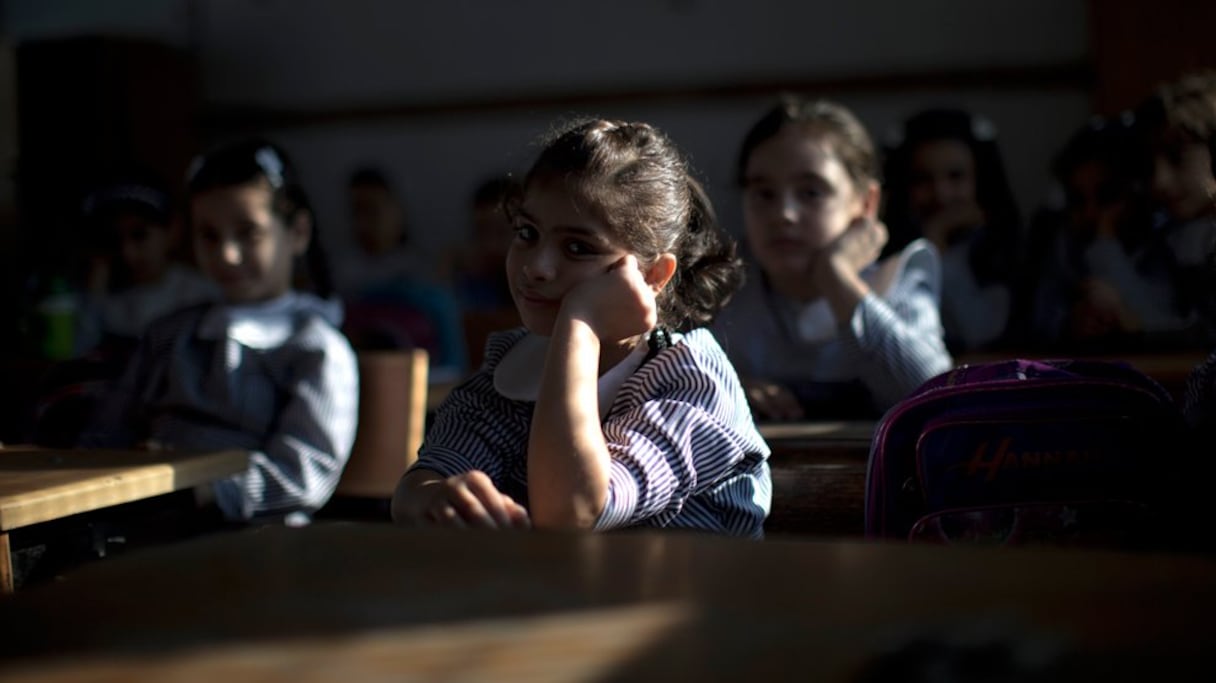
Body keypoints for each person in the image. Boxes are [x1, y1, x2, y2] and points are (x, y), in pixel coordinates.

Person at [391, 118, 771, 536]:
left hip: (691, 597)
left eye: (577, 247)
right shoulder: (513, 366)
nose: (536, 266)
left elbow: (572, 510)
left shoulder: (690, 381)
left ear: (652, 276)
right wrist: (434, 498)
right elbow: (420, 482)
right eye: (527, 233)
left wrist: (581, 321)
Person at [80, 139, 359, 526]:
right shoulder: (168, 334)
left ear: (297, 232)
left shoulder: (315, 348)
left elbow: (303, 473)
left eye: (248, 233)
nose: (227, 254)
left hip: (255, 542)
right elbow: (105, 432)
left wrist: (200, 489)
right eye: (209, 236)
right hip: (145, 526)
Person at [712, 96, 953, 421]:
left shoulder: (898, 279)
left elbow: (936, 397)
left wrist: (836, 275)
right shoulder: (721, 289)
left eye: (811, 192)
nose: (783, 214)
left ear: (867, 203)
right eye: (763, 194)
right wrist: (720, 389)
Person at [1071, 70, 1216, 350]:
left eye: (1177, 158)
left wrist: (1138, 326)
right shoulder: (1176, 234)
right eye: (1150, 166)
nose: (1159, 181)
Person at [881, 107, 1024, 352]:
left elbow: (977, 333)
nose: (941, 194)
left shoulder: (1003, 249)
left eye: (955, 177)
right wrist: (932, 241)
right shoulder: (888, 251)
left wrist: (939, 247)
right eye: (922, 179)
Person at [74, 169, 218, 355]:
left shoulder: (201, 297)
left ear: (173, 231)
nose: (127, 253)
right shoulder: (92, 298)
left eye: (140, 235)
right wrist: (93, 299)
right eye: (113, 239)